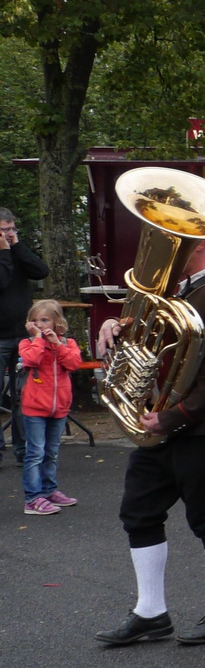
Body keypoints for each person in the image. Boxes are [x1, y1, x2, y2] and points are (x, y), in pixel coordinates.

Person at [91, 240, 205, 645]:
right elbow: (144, 344)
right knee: (139, 511)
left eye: (172, 242)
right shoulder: (166, 292)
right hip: (157, 422)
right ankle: (151, 612)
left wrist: (171, 417)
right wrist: (116, 329)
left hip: (201, 427)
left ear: (197, 245)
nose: (160, 251)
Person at [18, 301, 81, 515]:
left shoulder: (67, 342)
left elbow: (73, 364)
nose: (39, 325)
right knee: (35, 452)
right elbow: (31, 360)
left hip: (59, 407)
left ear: (56, 322)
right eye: (34, 321)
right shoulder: (27, 343)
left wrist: (57, 344)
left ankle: (48, 490)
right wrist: (38, 339)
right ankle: (32, 498)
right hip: (35, 407)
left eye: (44, 320)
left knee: (52, 452)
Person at [0, 210, 51, 465]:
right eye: (3, 230)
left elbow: (41, 271)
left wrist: (16, 247)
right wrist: (4, 253)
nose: (8, 234)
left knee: (23, 396)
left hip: (22, 335)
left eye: (11, 229)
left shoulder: (15, 251)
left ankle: (24, 452)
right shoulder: (3, 257)